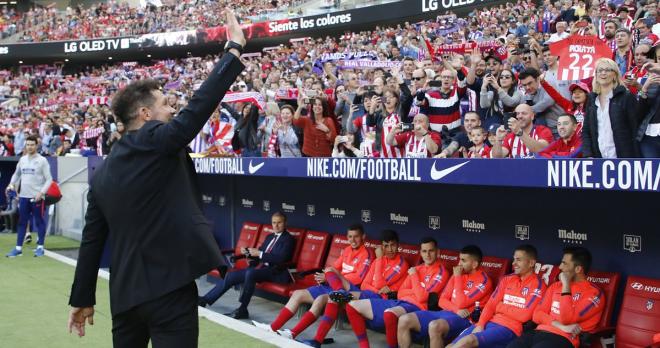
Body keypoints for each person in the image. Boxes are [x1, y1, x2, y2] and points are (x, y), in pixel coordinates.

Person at [66, 10, 246, 347]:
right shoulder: (156, 138)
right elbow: (197, 109)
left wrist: (82, 298)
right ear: (145, 115)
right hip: (170, 291)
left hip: (124, 298)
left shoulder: (102, 175)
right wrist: (233, 50)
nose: (172, 110)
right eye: (165, 105)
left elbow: (92, 242)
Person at [252, 224, 373, 340]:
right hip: (332, 285)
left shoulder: (367, 254)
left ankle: (293, 333)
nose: (352, 240)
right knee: (298, 294)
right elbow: (334, 268)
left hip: (348, 291)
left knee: (320, 299)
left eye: (356, 236)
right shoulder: (347, 250)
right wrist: (326, 277)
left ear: (363, 237)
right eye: (350, 236)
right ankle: (273, 328)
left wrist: (334, 277)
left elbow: (358, 279)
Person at [298, 230, 409, 348]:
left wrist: (380, 260)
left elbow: (379, 283)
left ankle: (361, 345)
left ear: (398, 245)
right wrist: (377, 285)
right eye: (386, 246)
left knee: (336, 297)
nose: (390, 249)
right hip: (367, 293)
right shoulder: (377, 261)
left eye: (393, 245)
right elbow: (365, 284)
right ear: (382, 246)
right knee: (333, 295)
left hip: (379, 299)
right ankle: (317, 341)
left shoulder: (401, 263)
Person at [345, 237, 449, 348]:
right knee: (352, 306)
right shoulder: (416, 268)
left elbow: (421, 297)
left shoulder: (441, 272)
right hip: (399, 302)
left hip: (416, 307)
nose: (427, 255)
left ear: (437, 252)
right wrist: (415, 288)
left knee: (390, 314)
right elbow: (400, 293)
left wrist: (414, 277)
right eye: (424, 251)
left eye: (431, 251)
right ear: (421, 253)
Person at [197, 212, 295, 319]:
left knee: (251, 272)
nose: (276, 225)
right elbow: (260, 254)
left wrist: (260, 254)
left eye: (279, 223)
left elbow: (280, 259)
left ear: (285, 223)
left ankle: (243, 309)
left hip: (275, 271)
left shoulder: (288, 239)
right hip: (261, 268)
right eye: (274, 222)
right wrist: (248, 253)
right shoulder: (269, 237)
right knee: (231, 276)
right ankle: (205, 300)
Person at [449, 245, 547, 348]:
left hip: (509, 328)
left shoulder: (539, 285)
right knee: (450, 345)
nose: (514, 263)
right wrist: (480, 324)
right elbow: (491, 304)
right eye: (514, 259)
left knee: (467, 341)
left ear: (531, 263)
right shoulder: (507, 279)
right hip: (489, 322)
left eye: (518, 260)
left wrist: (499, 306)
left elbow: (525, 315)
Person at [506, 247, 604, 348]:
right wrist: (560, 326)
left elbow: (567, 319)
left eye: (564, 263)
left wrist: (566, 285)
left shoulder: (594, 293)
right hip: (539, 331)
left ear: (578, 269)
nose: (560, 267)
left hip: (565, 338)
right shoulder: (555, 286)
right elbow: (537, 314)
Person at [397, 245, 493, 348]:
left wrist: (457, 277)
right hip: (448, 313)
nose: (459, 264)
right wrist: (456, 309)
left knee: (435, 326)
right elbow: (442, 301)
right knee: (404, 319)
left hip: (465, 319)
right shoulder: (458, 275)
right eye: (459, 259)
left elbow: (462, 303)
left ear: (474, 264)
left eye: (463, 261)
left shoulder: (484, 281)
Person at [5, 135, 53, 258]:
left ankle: (40, 248)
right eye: (28, 144)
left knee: (39, 221)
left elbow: (49, 180)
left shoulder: (42, 160)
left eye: (32, 144)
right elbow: (16, 175)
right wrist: (11, 184)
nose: (30, 147)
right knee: (22, 222)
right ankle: (18, 249)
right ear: (25, 146)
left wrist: (41, 193)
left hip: (37, 197)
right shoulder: (22, 160)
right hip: (24, 197)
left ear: (36, 145)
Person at [582, 58, 639, 158]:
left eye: (607, 70)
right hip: (599, 158)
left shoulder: (626, 96)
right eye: (600, 70)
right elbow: (586, 130)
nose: (603, 73)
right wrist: (588, 154)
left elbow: (635, 127)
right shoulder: (591, 99)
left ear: (615, 75)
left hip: (624, 158)